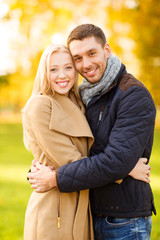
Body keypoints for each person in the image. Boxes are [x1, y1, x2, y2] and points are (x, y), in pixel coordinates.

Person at [28, 24, 156, 240]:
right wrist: (40, 170)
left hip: (123, 219)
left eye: (92, 53)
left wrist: (55, 178)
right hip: (89, 212)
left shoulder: (132, 95)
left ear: (107, 50)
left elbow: (114, 161)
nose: (86, 64)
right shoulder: (85, 96)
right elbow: (75, 153)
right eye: (77, 58)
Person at [22, 44, 95, 240]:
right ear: (44, 72)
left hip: (80, 205)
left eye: (68, 67)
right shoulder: (40, 105)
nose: (62, 75)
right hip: (54, 210)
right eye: (53, 69)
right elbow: (74, 163)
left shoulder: (78, 102)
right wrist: (124, 168)